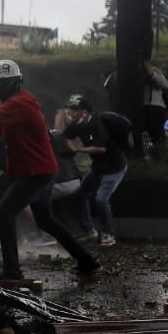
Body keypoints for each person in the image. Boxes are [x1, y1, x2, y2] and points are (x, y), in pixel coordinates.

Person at [0, 60, 101, 283]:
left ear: (12, 83)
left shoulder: (18, 104)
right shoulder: (20, 104)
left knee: (4, 213)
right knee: (45, 220)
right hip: (40, 170)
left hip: (35, 172)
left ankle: (12, 271)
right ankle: (86, 260)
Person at [61, 94, 128, 247]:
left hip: (113, 168)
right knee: (80, 194)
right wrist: (70, 143)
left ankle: (108, 234)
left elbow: (101, 148)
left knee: (101, 200)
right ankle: (89, 230)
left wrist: (79, 149)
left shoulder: (97, 123)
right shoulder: (78, 124)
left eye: (74, 110)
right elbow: (66, 135)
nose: (70, 113)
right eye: (69, 109)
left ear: (84, 112)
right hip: (98, 168)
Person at [142, 60, 168, 163]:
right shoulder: (136, 72)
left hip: (156, 108)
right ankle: (151, 156)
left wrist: (151, 73)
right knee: (144, 136)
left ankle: (166, 160)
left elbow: (165, 84)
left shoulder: (156, 71)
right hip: (143, 108)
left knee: (158, 136)